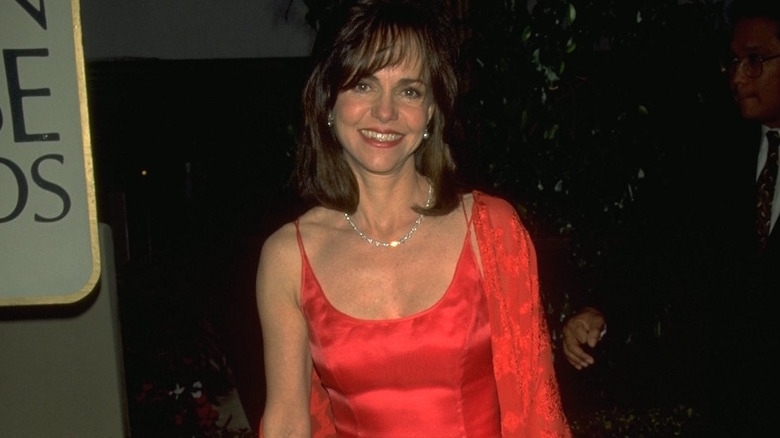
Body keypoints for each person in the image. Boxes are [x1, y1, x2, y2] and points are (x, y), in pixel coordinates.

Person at [255, 0, 571, 437]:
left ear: (431, 113)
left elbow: (537, 404)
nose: (385, 113)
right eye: (363, 86)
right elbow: (288, 424)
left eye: (409, 91)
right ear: (329, 100)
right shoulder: (287, 256)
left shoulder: (491, 231)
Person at [562, 0, 780, 431]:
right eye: (733, 62)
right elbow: (656, 243)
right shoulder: (717, 152)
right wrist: (599, 308)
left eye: (755, 61)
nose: (738, 77)